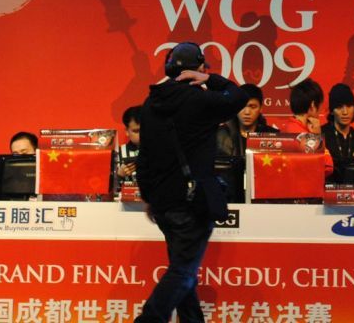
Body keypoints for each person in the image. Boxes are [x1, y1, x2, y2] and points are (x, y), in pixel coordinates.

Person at [134, 42, 248, 323]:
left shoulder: (150, 104)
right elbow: (239, 96)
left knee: (184, 271)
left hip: (163, 203)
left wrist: (149, 197)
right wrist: (210, 78)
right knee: (183, 272)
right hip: (191, 202)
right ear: (197, 68)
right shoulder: (199, 101)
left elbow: (144, 157)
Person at [215, 83, 278, 160]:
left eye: (253, 107)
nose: (247, 112)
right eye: (242, 106)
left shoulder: (272, 135)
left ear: (261, 108)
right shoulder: (223, 134)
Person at [321, 83, 354, 170]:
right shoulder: (321, 134)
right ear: (332, 111)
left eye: (349, 106)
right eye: (339, 107)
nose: (345, 112)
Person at [118, 105, 142, 184]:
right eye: (136, 131)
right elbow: (108, 187)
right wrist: (119, 175)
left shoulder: (162, 152)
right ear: (127, 131)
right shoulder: (117, 154)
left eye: (146, 129)